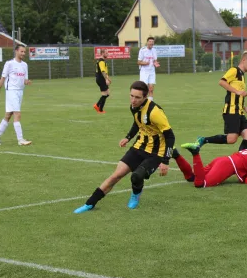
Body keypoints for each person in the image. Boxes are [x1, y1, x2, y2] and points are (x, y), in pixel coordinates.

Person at [74, 81, 175, 213]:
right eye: (131, 96)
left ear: (145, 97)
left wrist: (165, 160)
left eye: (137, 97)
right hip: (139, 146)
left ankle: (135, 195)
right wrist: (128, 137)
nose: (133, 100)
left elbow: (170, 136)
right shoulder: (134, 107)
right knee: (116, 175)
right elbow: (137, 122)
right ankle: (90, 203)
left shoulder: (155, 112)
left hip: (156, 152)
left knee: (136, 176)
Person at [195, 50, 247, 151]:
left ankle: (241, 161)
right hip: (231, 111)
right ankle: (203, 140)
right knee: (232, 139)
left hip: (239, 111)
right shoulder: (234, 71)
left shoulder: (242, 75)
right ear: (244, 60)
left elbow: (238, 95)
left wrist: (245, 107)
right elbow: (222, 82)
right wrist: (237, 91)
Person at [176, 143, 247, 187]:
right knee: (200, 184)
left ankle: (176, 155)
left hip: (222, 160)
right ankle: (195, 153)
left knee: (192, 177)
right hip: (227, 166)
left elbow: (245, 174)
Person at [0, 44, 32, 146]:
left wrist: (27, 82)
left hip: (20, 92)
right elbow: (2, 79)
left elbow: (24, 80)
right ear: (16, 51)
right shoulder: (9, 64)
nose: (23, 53)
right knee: (17, 114)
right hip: (11, 91)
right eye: (21, 51)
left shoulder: (25, 65)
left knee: (8, 115)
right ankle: (21, 140)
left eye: (24, 52)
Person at [137, 37, 160, 101]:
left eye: (152, 42)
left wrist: (156, 63)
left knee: (151, 89)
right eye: (150, 41)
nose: (151, 43)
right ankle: (142, 102)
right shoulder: (142, 50)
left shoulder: (154, 50)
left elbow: (155, 60)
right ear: (147, 42)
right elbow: (138, 62)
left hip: (152, 72)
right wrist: (145, 63)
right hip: (144, 72)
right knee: (144, 89)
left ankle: (150, 104)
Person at [93, 49, 111, 114]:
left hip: (101, 78)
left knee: (107, 93)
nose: (107, 54)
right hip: (101, 79)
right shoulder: (101, 61)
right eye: (106, 53)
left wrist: (108, 78)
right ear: (102, 53)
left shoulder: (102, 61)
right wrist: (106, 79)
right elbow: (103, 71)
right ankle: (98, 107)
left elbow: (105, 71)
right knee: (105, 94)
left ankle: (99, 107)